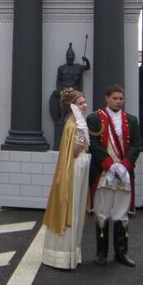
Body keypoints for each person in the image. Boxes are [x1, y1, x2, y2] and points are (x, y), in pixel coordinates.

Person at [87, 85, 141, 267]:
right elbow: (93, 145)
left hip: (124, 173)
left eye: (121, 99)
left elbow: (135, 146)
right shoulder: (95, 118)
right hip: (104, 172)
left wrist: (125, 165)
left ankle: (121, 253)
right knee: (102, 211)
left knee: (121, 212)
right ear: (107, 98)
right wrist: (110, 165)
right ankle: (101, 252)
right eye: (115, 98)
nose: (118, 101)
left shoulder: (131, 120)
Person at [42, 88, 91, 270]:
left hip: (80, 166)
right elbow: (75, 151)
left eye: (84, 102)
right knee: (73, 207)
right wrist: (80, 134)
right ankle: (65, 254)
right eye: (80, 103)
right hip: (76, 167)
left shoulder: (75, 123)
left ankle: (71, 252)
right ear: (72, 106)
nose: (84, 105)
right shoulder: (74, 125)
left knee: (76, 207)